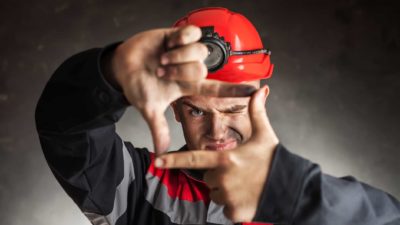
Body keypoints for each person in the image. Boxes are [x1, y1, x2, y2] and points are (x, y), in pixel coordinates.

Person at [35, 7, 400, 225]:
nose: (217, 130)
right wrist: (109, 74)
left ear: (262, 98)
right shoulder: (136, 189)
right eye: (196, 110)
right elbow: (63, 129)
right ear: (175, 108)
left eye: (234, 109)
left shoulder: (308, 203)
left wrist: (288, 191)